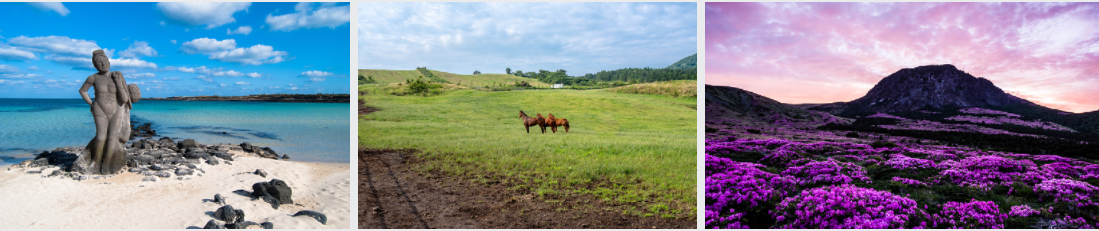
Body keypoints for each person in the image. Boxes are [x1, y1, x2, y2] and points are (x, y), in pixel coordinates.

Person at [77, 49, 133, 174]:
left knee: (112, 137)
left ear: (109, 61)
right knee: (101, 137)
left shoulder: (116, 76)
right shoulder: (93, 78)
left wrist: (118, 81)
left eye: (104, 61)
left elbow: (124, 99)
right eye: (99, 62)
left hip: (116, 110)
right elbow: (82, 91)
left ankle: (107, 163)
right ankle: (95, 162)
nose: (103, 64)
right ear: (95, 65)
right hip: (100, 108)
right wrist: (91, 103)